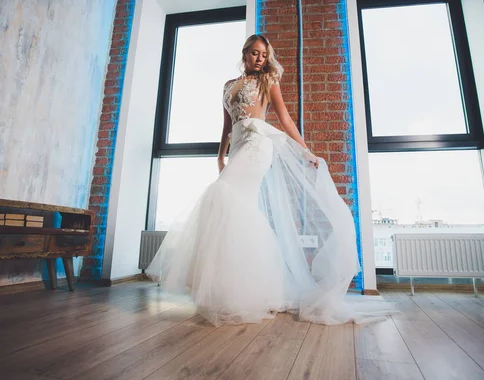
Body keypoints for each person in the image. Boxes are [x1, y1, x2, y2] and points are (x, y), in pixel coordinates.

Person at [146, 34, 393, 326]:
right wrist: (219, 156)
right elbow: (226, 126)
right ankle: (238, 290)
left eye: (264, 54)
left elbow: (285, 119)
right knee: (238, 210)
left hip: (257, 146)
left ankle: (243, 288)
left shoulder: (268, 82)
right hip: (237, 145)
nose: (260, 58)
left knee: (221, 195)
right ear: (245, 53)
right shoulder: (228, 86)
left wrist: (305, 151)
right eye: (255, 53)